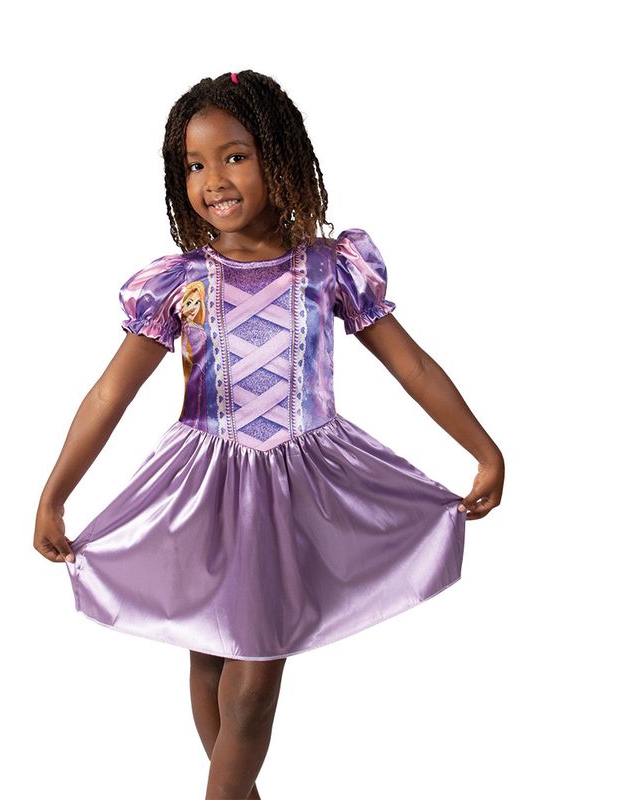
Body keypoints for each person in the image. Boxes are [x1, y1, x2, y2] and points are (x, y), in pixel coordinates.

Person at [34, 70, 504, 799]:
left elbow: (410, 364)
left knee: (253, 680)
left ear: (280, 156)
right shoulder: (181, 282)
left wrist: (482, 449)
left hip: (296, 484)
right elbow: (110, 392)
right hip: (202, 484)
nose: (214, 180)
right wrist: (55, 493)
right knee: (211, 660)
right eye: (194, 165)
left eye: (235, 156)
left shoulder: (327, 268)